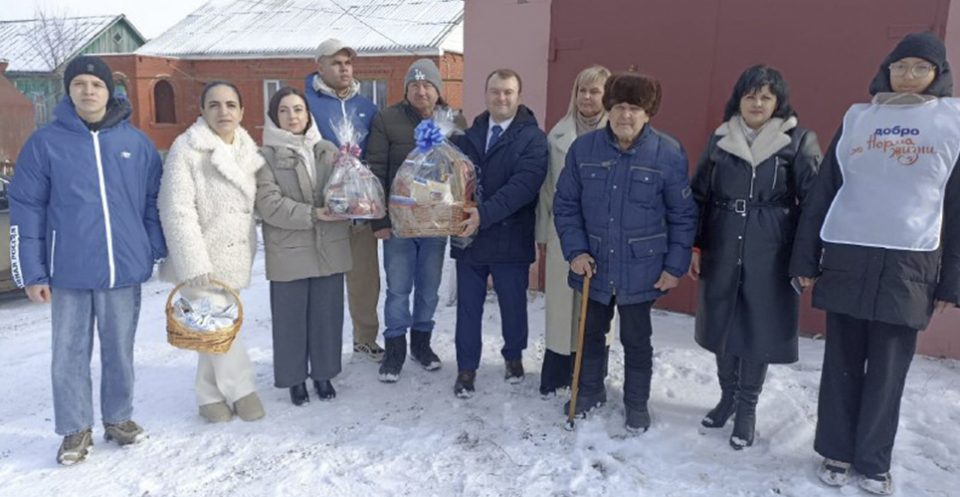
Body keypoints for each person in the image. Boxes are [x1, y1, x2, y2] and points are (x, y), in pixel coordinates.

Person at [790, 32, 960, 495]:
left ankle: (872, 461)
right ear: (885, 70)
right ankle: (836, 452)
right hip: (849, 253)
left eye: (919, 68)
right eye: (899, 67)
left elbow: (958, 204)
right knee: (841, 360)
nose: (907, 76)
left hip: (909, 264)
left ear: (937, 75)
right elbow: (826, 189)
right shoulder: (859, 118)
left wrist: (952, 283)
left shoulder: (952, 122)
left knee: (887, 369)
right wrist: (805, 256)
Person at [8, 55, 166, 465]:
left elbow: (153, 202)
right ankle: (75, 429)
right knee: (69, 353)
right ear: (69, 92)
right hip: (69, 272)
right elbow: (27, 209)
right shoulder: (46, 143)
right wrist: (32, 271)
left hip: (123, 268)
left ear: (108, 90)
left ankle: (118, 418)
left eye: (95, 84)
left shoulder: (136, 143)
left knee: (119, 350)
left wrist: (153, 247)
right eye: (79, 84)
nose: (88, 91)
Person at [553, 72, 698, 433]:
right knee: (589, 334)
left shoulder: (667, 152)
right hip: (594, 265)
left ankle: (636, 403)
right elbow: (566, 205)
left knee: (636, 340)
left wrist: (674, 266)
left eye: (634, 108)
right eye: (619, 107)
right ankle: (588, 391)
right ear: (609, 109)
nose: (625, 116)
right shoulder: (583, 150)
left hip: (642, 268)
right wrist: (576, 252)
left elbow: (683, 215)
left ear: (648, 113)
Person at [688, 65, 821, 449]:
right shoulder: (720, 140)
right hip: (723, 242)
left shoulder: (798, 140)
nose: (757, 103)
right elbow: (698, 195)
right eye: (750, 95)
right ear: (739, 99)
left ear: (778, 102)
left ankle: (746, 408)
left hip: (771, 248)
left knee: (756, 327)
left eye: (765, 96)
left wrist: (806, 258)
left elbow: (813, 203)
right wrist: (695, 246)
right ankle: (727, 395)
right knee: (721, 322)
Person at [159, 81, 266, 424]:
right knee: (222, 329)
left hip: (234, 255)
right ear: (202, 111)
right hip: (201, 258)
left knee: (212, 332)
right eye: (215, 105)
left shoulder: (247, 149)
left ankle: (208, 397)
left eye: (231, 105)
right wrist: (193, 261)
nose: (224, 112)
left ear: (242, 111)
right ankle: (242, 389)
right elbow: (176, 208)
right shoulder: (186, 148)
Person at [449, 68, 549, 398]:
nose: (501, 98)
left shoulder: (533, 138)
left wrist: (484, 214)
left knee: (513, 304)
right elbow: (451, 178)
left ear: (519, 96)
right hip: (470, 237)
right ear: (486, 94)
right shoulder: (468, 135)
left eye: (508, 92)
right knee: (468, 308)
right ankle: (466, 367)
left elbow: (523, 187)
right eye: (495, 91)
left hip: (510, 237)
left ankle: (513, 356)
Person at [367, 59, 466, 382]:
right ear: (407, 89)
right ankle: (395, 347)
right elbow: (377, 168)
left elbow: (463, 172)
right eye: (414, 85)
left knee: (428, 287)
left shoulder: (453, 120)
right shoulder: (387, 119)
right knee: (398, 287)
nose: (421, 91)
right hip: (399, 223)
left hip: (436, 222)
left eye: (428, 85)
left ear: (438, 90)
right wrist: (379, 219)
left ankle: (421, 344)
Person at [257, 86, 350, 406]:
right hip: (289, 250)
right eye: (284, 110)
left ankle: (323, 374)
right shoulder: (265, 157)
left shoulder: (328, 149)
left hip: (330, 246)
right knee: (289, 319)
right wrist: (313, 214)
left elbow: (346, 189)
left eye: (298, 109)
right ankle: (295, 379)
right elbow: (268, 204)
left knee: (327, 315)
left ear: (308, 113)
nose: (292, 116)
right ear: (274, 116)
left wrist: (353, 184)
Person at [305, 38, 384, 362]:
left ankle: (365, 338)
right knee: (322, 282)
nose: (344, 69)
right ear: (319, 66)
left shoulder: (367, 107)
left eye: (348, 63)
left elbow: (378, 151)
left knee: (365, 278)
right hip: (323, 208)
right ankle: (321, 346)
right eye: (336, 63)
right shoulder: (304, 103)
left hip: (360, 210)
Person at [536, 65, 613, 396]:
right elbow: (546, 189)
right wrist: (543, 233)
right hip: (563, 232)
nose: (587, 97)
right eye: (582, 90)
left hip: (604, 235)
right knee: (561, 305)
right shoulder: (558, 134)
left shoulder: (619, 133)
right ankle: (558, 373)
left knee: (595, 306)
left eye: (595, 91)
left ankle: (591, 375)